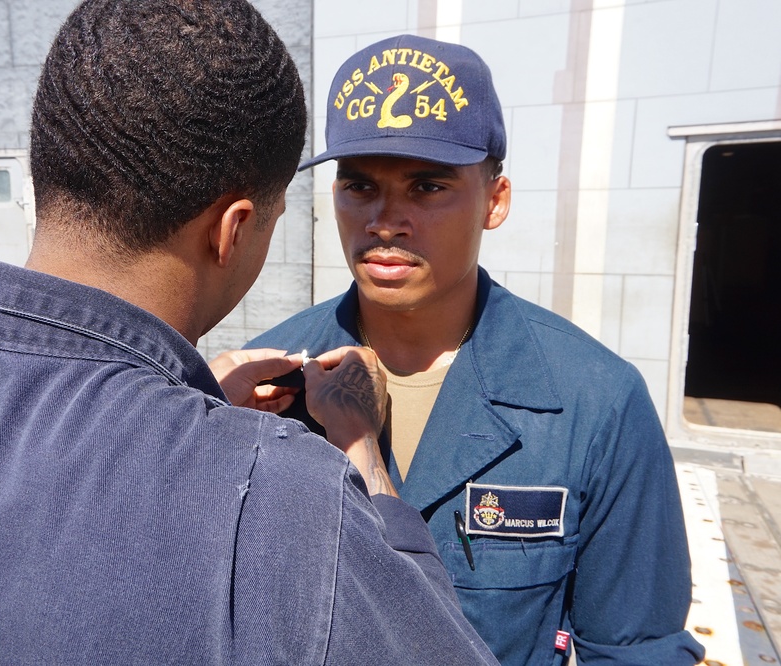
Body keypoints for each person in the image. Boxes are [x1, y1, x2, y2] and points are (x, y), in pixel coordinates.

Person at [0, 4, 497, 665]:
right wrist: (363, 454)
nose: (385, 219)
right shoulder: (285, 503)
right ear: (235, 228)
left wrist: (186, 408)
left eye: (428, 186)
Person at [247, 35, 706, 665]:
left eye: (428, 187)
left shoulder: (592, 402)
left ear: (496, 201)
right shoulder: (265, 385)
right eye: (358, 186)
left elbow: (637, 652)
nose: (385, 220)